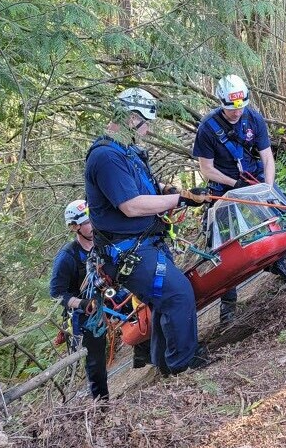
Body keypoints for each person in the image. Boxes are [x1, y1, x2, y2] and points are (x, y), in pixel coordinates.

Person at [84, 87, 210, 375]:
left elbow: (145, 190)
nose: (149, 131)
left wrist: (175, 192)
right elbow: (131, 205)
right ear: (131, 119)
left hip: (145, 245)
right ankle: (183, 366)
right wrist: (180, 199)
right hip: (130, 251)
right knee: (177, 295)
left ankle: (167, 362)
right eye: (146, 124)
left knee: (165, 299)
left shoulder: (126, 152)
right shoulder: (106, 157)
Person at [192, 75, 286, 324]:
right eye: (231, 109)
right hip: (224, 186)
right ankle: (228, 303)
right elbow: (206, 168)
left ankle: (279, 263)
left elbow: (267, 157)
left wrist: (268, 189)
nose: (236, 113)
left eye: (240, 108)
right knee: (222, 243)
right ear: (221, 103)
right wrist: (234, 185)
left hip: (254, 178)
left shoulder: (252, 117)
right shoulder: (208, 128)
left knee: (281, 216)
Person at [49, 200, 111, 400]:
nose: (92, 225)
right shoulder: (67, 257)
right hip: (86, 310)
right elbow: (57, 293)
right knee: (95, 359)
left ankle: (145, 357)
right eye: (86, 222)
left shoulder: (104, 241)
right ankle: (102, 403)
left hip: (110, 295)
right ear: (75, 226)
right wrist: (82, 304)